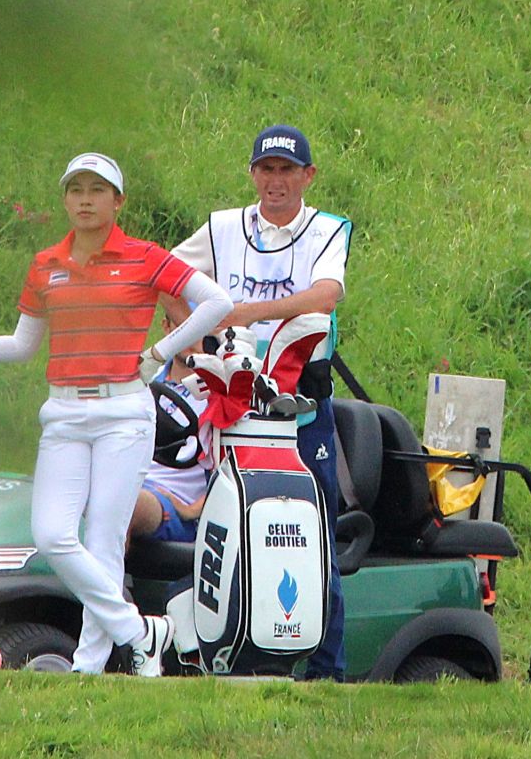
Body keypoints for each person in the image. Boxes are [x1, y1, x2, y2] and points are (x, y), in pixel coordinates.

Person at [0, 152, 235, 678]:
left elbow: (215, 302)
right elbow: (22, 346)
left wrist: (160, 353)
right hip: (65, 413)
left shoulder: (144, 257)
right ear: (66, 199)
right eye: (76, 190)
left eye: (98, 190)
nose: (86, 200)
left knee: (103, 539)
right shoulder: (47, 263)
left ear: (117, 201)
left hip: (123, 411)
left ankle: (90, 666)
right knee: (52, 534)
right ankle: (140, 632)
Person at [172, 125, 354, 679]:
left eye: (287, 171)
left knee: (313, 532)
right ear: (253, 173)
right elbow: (167, 278)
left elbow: (327, 294)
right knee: (223, 529)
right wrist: (185, 343)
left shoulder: (327, 228)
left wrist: (245, 312)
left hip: (301, 408)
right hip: (231, 407)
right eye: (267, 170)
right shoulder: (222, 227)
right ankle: (220, 659)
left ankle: (326, 674)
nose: (276, 182)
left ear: (307, 176)